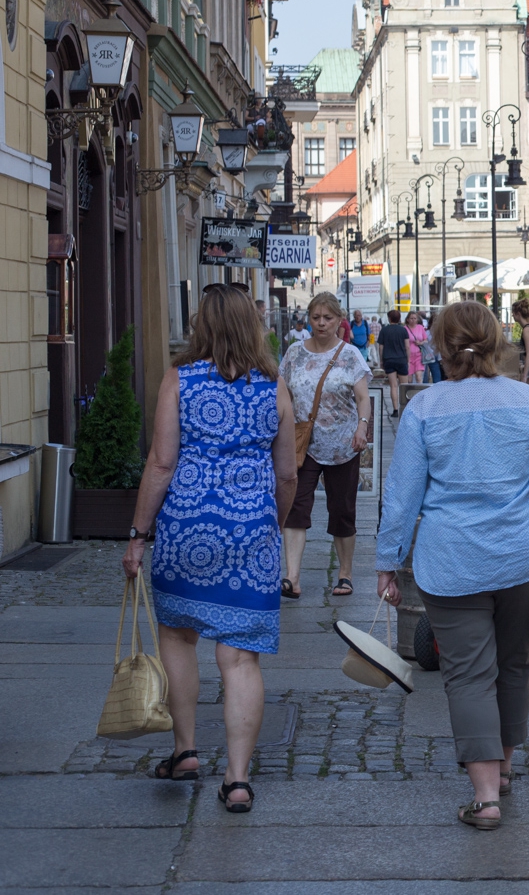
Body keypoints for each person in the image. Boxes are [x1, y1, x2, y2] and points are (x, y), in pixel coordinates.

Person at [375, 301, 529, 831]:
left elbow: (402, 496)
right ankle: (504, 768)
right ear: (498, 343)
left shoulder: (424, 408)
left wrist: (387, 561)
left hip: (452, 559)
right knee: (514, 661)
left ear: (438, 347)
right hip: (526, 554)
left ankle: (485, 798)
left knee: (467, 674)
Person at [121, 281, 297, 813]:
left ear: (201, 324)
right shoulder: (274, 386)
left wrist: (138, 535)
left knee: (178, 637)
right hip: (250, 532)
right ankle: (237, 780)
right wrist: (269, 524)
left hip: (186, 528)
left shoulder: (180, 379)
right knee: (239, 658)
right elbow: (287, 474)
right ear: (253, 325)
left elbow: (161, 463)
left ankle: (185, 751)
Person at [280, 292, 371, 600]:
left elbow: (363, 398)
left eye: (327, 318)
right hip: (302, 444)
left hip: (343, 444)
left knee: (342, 510)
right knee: (295, 506)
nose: (321, 323)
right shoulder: (294, 353)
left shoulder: (351, 355)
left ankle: (345, 573)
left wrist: (362, 426)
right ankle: (292, 577)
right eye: (316, 317)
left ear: (339, 320)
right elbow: (283, 393)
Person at [376, 309, 410, 417]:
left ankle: (395, 409)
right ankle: (405, 409)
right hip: (401, 359)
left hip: (389, 359)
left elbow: (381, 347)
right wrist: (408, 360)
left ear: (389, 318)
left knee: (393, 386)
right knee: (404, 386)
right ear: (399, 318)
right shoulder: (403, 330)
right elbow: (407, 346)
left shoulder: (384, 330)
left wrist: (381, 360)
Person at [404, 311, 429, 385]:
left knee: (418, 377)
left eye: (415, 318)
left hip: (419, 355)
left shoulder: (420, 327)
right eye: (411, 318)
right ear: (408, 319)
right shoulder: (404, 329)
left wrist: (420, 343)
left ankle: (419, 391)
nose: (413, 320)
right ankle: (411, 392)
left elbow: (426, 340)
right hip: (408, 357)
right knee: (409, 379)